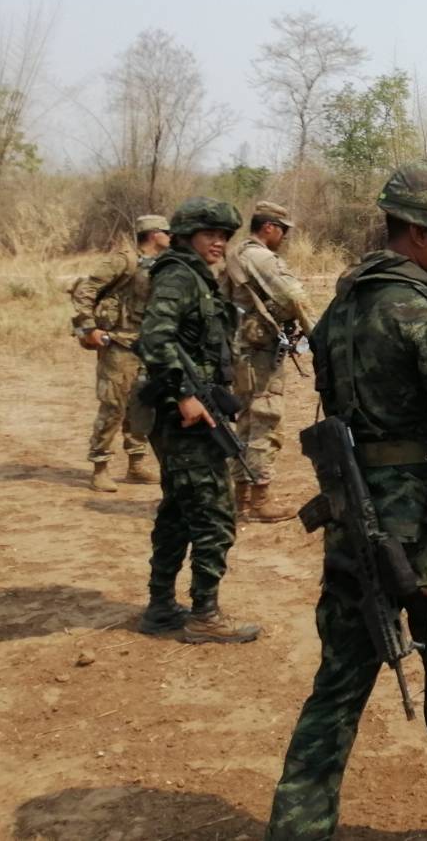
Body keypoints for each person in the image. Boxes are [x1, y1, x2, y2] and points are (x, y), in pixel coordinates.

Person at [266, 162, 427, 841]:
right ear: (418, 232)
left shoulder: (340, 308)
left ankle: (297, 827)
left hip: (354, 520)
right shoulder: (425, 311)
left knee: (338, 683)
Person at [135, 197, 261, 644]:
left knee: (177, 511)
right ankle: (204, 614)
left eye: (224, 236)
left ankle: (161, 607)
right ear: (187, 237)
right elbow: (155, 338)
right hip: (184, 418)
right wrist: (185, 393)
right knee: (214, 515)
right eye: (210, 234)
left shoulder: (195, 277)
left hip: (191, 414)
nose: (219, 243)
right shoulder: (178, 276)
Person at [221, 200, 317, 522]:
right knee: (266, 421)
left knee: (246, 422)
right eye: (283, 231)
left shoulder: (236, 254)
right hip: (258, 356)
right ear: (269, 228)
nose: (285, 237)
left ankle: (241, 500)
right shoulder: (260, 257)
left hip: (241, 352)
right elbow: (294, 296)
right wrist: (318, 336)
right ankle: (259, 501)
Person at [69, 214, 171, 492]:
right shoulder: (124, 260)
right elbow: (86, 290)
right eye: (167, 232)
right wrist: (88, 328)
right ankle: (100, 467)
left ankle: (136, 464)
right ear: (153, 234)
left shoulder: (162, 263)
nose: (171, 237)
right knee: (113, 405)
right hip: (117, 343)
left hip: (146, 345)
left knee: (142, 406)